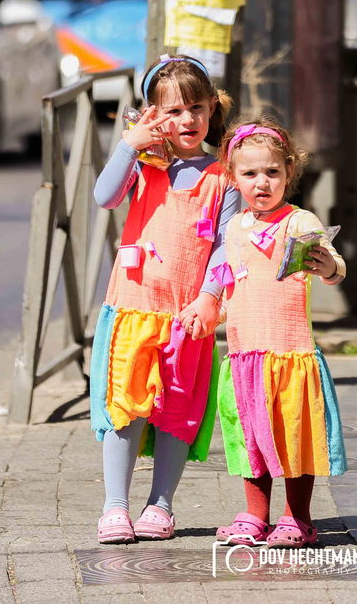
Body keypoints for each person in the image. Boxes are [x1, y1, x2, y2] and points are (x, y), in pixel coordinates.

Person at [89, 55, 240, 543]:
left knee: (177, 409)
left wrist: (210, 298)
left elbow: (226, 244)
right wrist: (129, 146)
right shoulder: (145, 163)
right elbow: (104, 197)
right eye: (172, 112)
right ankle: (115, 506)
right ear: (153, 115)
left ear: (212, 109)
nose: (187, 120)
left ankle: (161, 505)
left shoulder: (223, 175)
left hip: (187, 313)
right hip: (134, 304)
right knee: (126, 405)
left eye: (196, 108)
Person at [205, 119, 348, 549]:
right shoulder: (233, 229)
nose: (261, 182)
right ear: (233, 178)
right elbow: (227, 282)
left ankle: (298, 518)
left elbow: (333, 264)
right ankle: (254, 515)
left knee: (293, 436)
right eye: (249, 174)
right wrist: (206, 311)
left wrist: (329, 267)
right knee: (250, 436)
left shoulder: (299, 221)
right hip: (245, 353)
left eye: (272, 172)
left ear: (289, 173)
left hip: (290, 353)